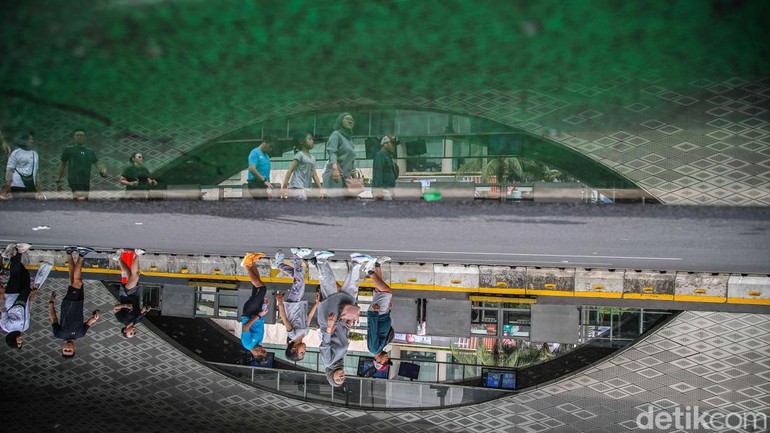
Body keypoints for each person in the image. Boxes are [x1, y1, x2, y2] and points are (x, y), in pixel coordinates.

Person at [315, 251, 378, 387]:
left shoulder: (328, 362)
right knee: (351, 293)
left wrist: (330, 325)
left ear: (331, 376)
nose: (342, 377)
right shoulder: (340, 360)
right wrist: (348, 325)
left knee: (329, 288)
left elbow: (325, 343)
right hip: (342, 321)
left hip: (330, 320)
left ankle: (320, 260)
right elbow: (341, 337)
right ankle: (355, 263)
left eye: (338, 379)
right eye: (343, 379)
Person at [50, 246, 100, 358]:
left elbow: (54, 318)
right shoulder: (80, 334)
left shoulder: (58, 334)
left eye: (65, 350)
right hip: (79, 303)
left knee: (77, 282)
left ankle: (81, 254)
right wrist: (95, 318)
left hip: (68, 304)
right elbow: (89, 323)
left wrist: (51, 303)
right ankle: (69, 252)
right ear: (74, 349)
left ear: (62, 348)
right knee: (73, 280)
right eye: (69, 350)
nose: (67, 348)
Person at [273, 248, 319, 362]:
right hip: (299, 304)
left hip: (292, 304)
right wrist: (316, 304)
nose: (305, 350)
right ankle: (279, 264)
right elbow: (309, 317)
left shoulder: (293, 335)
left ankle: (297, 257)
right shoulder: (305, 333)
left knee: (300, 282)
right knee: (299, 277)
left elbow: (284, 318)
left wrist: (279, 302)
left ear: (293, 349)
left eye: (302, 352)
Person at [56, 129, 107, 200]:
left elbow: (97, 163)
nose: (79, 137)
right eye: (77, 135)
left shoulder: (89, 152)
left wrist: (103, 170)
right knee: (80, 199)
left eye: (81, 135)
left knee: (84, 200)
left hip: (85, 180)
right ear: (74, 137)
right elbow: (62, 165)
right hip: (74, 179)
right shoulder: (68, 150)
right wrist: (58, 180)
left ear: (85, 137)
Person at [0, 243, 34, 349]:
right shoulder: (25, 327)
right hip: (24, 298)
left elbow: (2, 310)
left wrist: (1, 293)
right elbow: (27, 311)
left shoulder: (6, 327)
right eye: (21, 343)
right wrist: (31, 297)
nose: (21, 341)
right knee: (24, 274)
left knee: (15, 275)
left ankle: (19, 251)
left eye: (18, 343)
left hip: (11, 297)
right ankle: (10, 256)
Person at [112, 249, 151, 338]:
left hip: (126, 295)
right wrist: (147, 308)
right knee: (129, 273)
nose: (134, 331)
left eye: (131, 333)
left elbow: (115, 308)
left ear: (125, 330)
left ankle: (137, 254)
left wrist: (125, 306)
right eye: (134, 333)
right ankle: (118, 258)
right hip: (134, 295)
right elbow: (144, 309)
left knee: (135, 275)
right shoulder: (138, 320)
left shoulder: (122, 320)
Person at [240, 252, 270, 361]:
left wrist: (258, 315)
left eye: (262, 351)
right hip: (257, 312)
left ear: (256, 355)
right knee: (257, 285)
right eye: (265, 350)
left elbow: (246, 327)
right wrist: (264, 305)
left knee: (262, 289)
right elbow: (259, 324)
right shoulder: (258, 341)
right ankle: (252, 262)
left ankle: (246, 265)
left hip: (249, 313)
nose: (263, 349)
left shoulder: (247, 344)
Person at [366, 259, 395, 373]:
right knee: (380, 289)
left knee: (387, 292)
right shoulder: (380, 348)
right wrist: (388, 310)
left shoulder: (374, 349)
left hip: (376, 314)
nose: (387, 359)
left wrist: (374, 313)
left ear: (377, 360)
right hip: (382, 314)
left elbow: (373, 330)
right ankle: (377, 265)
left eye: (385, 361)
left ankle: (369, 271)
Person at [322, 112, 357, 198]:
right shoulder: (336, 134)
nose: (350, 121)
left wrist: (355, 178)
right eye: (347, 119)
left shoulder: (349, 140)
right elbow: (332, 152)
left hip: (346, 179)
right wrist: (335, 170)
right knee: (334, 206)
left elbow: (351, 160)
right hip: (334, 175)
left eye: (351, 120)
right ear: (340, 121)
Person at [280, 132, 324, 200]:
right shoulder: (299, 155)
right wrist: (284, 186)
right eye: (309, 139)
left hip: (306, 189)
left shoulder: (312, 158)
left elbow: (315, 175)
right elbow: (290, 170)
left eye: (312, 139)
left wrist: (320, 189)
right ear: (301, 142)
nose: (312, 141)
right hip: (297, 187)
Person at [2, 132, 43, 200]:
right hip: (17, 185)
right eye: (30, 139)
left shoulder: (35, 154)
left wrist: (39, 190)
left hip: (30, 187)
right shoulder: (15, 153)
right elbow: (9, 171)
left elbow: (36, 173)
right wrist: (7, 188)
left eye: (32, 139)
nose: (32, 141)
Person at [372, 134, 400, 201]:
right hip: (383, 190)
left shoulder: (388, 156)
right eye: (392, 144)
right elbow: (378, 173)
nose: (393, 146)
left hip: (388, 190)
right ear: (385, 144)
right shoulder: (380, 155)